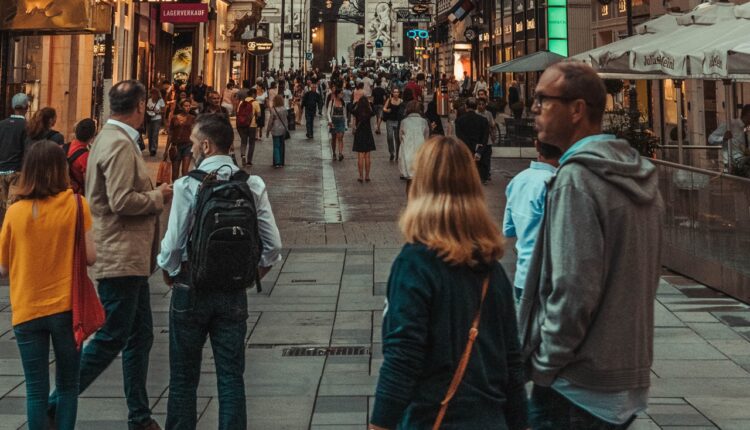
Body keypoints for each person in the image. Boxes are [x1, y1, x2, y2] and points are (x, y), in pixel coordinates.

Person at [519, 62, 664, 430]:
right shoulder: (636, 173)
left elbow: (572, 289)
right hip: (624, 378)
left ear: (577, 110)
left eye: (543, 100)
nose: (533, 109)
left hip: (575, 386)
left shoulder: (577, 180)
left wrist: (545, 364)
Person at [369, 135, 527, 430]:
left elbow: (403, 357)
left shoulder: (415, 265)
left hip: (433, 420)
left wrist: (380, 424)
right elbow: (512, 362)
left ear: (421, 187)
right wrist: (521, 422)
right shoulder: (491, 269)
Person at [47, 80, 172, 430]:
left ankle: (139, 415)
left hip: (129, 257)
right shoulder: (118, 144)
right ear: (140, 105)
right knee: (111, 336)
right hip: (119, 257)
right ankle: (54, 405)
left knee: (140, 335)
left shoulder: (109, 138)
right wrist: (158, 195)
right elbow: (120, 201)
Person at [158, 114, 282, 430]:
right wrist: (255, 271)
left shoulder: (188, 185)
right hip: (232, 291)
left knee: (184, 377)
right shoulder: (251, 184)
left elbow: (172, 244)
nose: (192, 148)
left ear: (207, 144)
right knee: (230, 376)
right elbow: (273, 244)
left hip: (191, 288)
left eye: (196, 142)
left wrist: (170, 271)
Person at [0, 141, 96, 430]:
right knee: (68, 385)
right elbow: (91, 257)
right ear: (60, 170)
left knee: (35, 388)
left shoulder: (15, 213)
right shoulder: (77, 205)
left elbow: (3, 268)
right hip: (68, 309)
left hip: (27, 309)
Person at [502, 140, 560, 302]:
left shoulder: (518, 180)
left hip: (522, 276)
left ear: (536, 146)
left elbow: (508, 229)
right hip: (551, 278)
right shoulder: (559, 183)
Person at [0, 93, 30, 226]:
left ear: (12, 107)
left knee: (2, 207)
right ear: (26, 107)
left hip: (1, 171)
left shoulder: (2, 124)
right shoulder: (27, 126)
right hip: (17, 172)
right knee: (12, 208)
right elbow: (28, 149)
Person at [708, 104, 750, 175]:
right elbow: (711, 139)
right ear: (748, 114)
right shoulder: (730, 124)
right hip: (732, 166)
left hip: (743, 165)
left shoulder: (746, 130)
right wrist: (723, 138)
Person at [398, 100, 429, 194]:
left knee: (409, 182)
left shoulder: (404, 122)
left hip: (407, 154)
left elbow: (400, 138)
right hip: (420, 154)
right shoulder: (424, 122)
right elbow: (426, 138)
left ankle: (410, 202)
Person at [455, 98, 490, 181]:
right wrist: (478, 150)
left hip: (465, 150)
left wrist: (471, 146)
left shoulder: (459, 121)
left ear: (466, 106)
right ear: (476, 107)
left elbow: (459, 136)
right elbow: (485, 138)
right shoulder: (483, 120)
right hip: (479, 153)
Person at [169, 99, 197, 180]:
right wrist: (166, 150)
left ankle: (183, 189)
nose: (187, 108)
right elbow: (170, 134)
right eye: (185, 106)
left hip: (188, 145)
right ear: (181, 107)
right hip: (176, 146)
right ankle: (175, 189)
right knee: (175, 172)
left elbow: (195, 132)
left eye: (189, 106)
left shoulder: (192, 118)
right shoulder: (174, 118)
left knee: (185, 171)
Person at [67, 118, 96, 195]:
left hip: (62, 193)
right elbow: (88, 183)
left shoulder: (63, 147)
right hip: (77, 196)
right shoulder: (86, 157)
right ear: (92, 137)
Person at [352, 96, 375, 182]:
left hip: (359, 134)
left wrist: (356, 103)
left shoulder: (357, 111)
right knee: (368, 156)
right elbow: (374, 111)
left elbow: (350, 109)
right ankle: (367, 176)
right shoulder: (369, 111)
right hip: (368, 133)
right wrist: (370, 103)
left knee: (360, 157)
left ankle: (361, 176)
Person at [236, 88, 261, 167]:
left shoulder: (241, 102)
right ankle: (249, 161)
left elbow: (238, 113)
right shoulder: (256, 103)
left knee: (243, 141)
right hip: (252, 125)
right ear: (253, 94)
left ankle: (243, 156)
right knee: (251, 143)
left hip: (242, 125)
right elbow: (259, 115)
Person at [476, 98, 497, 184]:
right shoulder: (475, 113)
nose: (481, 106)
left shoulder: (488, 114)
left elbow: (493, 125)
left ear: (485, 105)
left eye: (482, 104)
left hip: (487, 140)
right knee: (478, 159)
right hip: (478, 141)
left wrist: (493, 135)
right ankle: (480, 175)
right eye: (479, 104)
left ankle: (485, 175)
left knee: (486, 159)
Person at [266, 95, 289, 168]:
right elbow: (286, 119)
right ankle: (281, 161)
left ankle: (277, 162)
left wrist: (268, 130)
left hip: (275, 130)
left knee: (276, 146)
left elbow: (270, 122)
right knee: (282, 145)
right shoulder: (284, 109)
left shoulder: (273, 110)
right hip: (283, 129)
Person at [382, 88, 404, 162]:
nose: (396, 93)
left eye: (397, 92)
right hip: (390, 121)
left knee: (397, 139)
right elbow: (384, 108)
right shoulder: (389, 100)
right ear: (392, 93)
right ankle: (392, 152)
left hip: (398, 121)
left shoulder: (401, 101)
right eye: (394, 92)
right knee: (390, 137)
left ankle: (397, 154)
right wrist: (387, 110)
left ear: (399, 93)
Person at [326, 88, 348, 161]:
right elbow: (328, 112)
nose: (342, 94)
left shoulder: (343, 102)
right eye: (340, 93)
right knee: (334, 138)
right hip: (334, 121)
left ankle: (340, 153)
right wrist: (330, 120)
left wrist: (346, 124)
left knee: (340, 137)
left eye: (342, 93)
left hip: (341, 120)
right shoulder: (331, 102)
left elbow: (345, 114)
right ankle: (334, 153)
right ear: (337, 94)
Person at [146, 88, 166, 156]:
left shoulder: (161, 101)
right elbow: (147, 108)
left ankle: (153, 149)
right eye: (152, 94)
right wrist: (150, 110)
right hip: (150, 118)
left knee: (155, 134)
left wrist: (158, 111)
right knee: (150, 134)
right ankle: (150, 148)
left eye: (154, 94)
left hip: (157, 119)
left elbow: (163, 111)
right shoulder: (149, 100)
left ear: (157, 94)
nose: (153, 95)